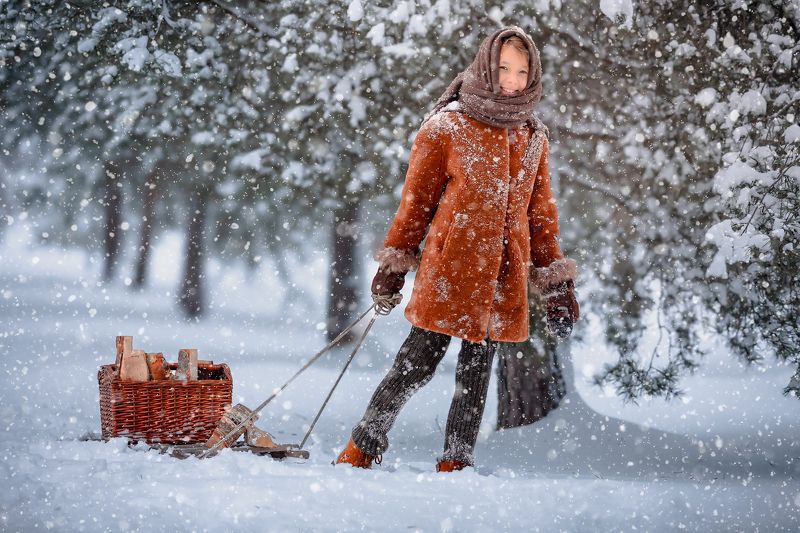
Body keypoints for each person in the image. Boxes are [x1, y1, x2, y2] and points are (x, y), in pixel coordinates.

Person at [335, 26, 579, 472]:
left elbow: (541, 216)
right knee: (416, 364)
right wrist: (394, 266)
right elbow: (416, 204)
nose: (512, 79)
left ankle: (457, 462)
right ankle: (362, 446)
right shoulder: (447, 125)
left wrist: (555, 281)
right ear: (486, 65)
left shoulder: (534, 138)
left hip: (502, 279)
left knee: (475, 374)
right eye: (504, 67)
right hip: (450, 272)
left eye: (522, 71)